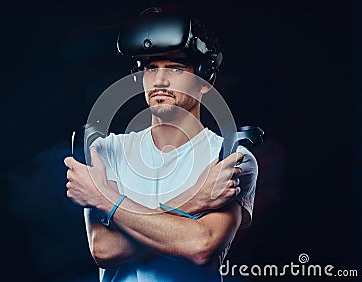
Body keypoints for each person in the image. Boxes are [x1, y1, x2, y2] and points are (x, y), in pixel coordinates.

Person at [64, 7, 258, 282]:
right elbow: (103, 249)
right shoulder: (106, 151)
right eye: (151, 68)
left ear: (205, 80)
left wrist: (105, 199)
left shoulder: (229, 158)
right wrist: (194, 201)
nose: (160, 81)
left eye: (176, 68)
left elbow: (200, 245)